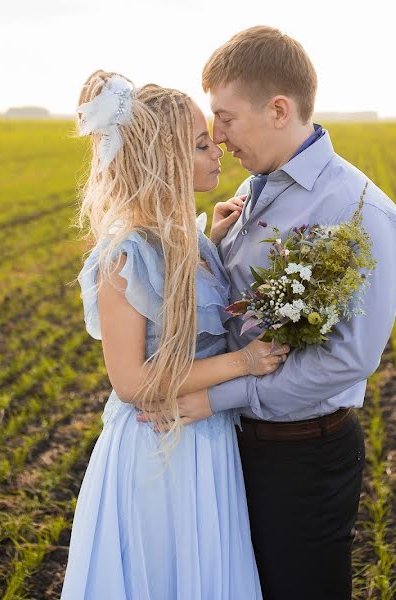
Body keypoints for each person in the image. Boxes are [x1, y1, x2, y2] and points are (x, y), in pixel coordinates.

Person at [139, 26, 396, 599]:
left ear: (279, 109)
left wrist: (216, 396)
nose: (217, 136)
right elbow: (233, 307)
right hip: (233, 446)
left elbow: (349, 359)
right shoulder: (255, 188)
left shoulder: (359, 214)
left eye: (226, 117)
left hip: (300, 458)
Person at [59, 70, 290, 599]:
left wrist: (211, 242)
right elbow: (132, 382)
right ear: (164, 160)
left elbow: (185, 317)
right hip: (157, 451)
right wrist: (245, 362)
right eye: (201, 145)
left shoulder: (194, 242)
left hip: (205, 442)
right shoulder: (124, 257)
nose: (218, 153)